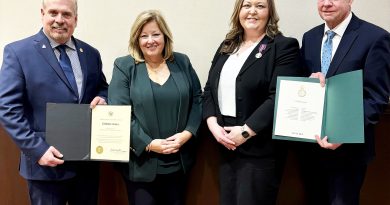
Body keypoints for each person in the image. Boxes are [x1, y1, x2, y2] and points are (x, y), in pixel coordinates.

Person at [0, 0, 108, 204]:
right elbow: (7, 109)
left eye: (66, 14)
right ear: (42, 14)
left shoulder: (91, 54)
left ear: (75, 19)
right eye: (53, 13)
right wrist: (37, 150)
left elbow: (103, 87)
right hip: (45, 165)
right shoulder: (18, 52)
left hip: (86, 166)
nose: (60, 20)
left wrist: (104, 98)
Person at [202, 0, 303, 204]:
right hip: (226, 145)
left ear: (270, 12)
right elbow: (209, 90)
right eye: (247, 5)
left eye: (260, 6)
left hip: (260, 150)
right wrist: (213, 125)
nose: (252, 11)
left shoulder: (283, 46)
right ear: (238, 11)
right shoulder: (227, 45)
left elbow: (280, 96)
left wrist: (246, 131)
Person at [298, 0, 390, 204]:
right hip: (311, 149)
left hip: (349, 153)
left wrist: (344, 133)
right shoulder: (310, 37)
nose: (326, 3)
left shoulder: (375, 37)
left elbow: (377, 98)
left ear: (350, 0)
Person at [108, 10, 202, 205]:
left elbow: (197, 99)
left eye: (156, 34)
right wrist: (149, 144)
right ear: (137, 39)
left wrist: (188, 133)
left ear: (165, 36)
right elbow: (119, 112)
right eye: (144, 36)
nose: (150, 40)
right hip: (141, 164)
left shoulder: (182, 62)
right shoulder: (124, 66)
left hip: (179, 162)